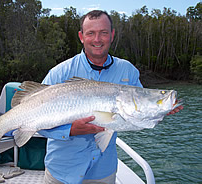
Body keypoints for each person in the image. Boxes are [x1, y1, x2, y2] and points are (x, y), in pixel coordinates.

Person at [40, 10, 183, 184]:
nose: (97, 39)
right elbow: (34, 122)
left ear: (112, 35)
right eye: (91, 33)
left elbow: (137, 113)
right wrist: (70, 130)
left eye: (104, 32)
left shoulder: (127, 71)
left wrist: (158, 112)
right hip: (61, 171)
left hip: (103, 172)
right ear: (81, 36)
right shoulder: (59, 74)